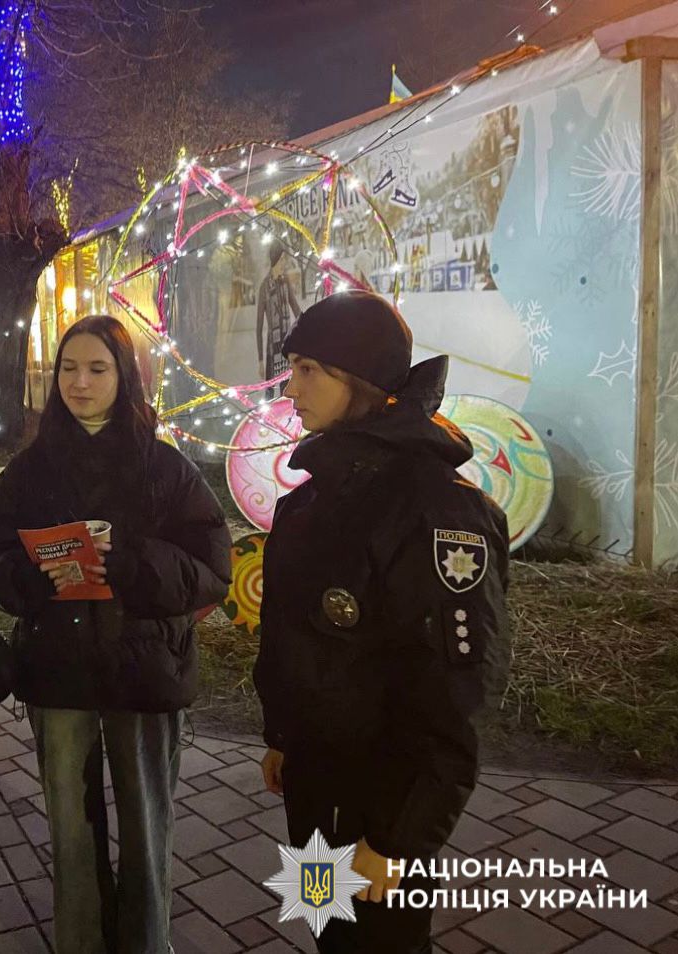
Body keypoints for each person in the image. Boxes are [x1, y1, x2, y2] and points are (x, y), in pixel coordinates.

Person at [253, 291, 510, 954]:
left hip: (380, 808)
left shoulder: (435, 509)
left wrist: (397, 838)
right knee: (325, 929)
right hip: (312, 792)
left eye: (309, 369)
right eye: (291, 368)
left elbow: (458, 689)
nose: (291, 388)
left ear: (361, 381)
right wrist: (281, 732)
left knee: (381, 944)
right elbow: (294, 637)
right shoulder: (313, 498)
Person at [0, 315, 231, 954]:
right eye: (68, 368)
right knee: (70, 827)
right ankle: (81, 942)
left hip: (144, 672)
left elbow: (211, 571)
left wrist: (127, 563)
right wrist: (40, 575)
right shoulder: (32, 470)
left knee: (147, 827)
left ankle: (148, 942)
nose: (79, 383)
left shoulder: (164, 468)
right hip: (58, 674)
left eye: (97, 369)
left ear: (127, 377)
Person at [256, 242, 302, 386]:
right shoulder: (264, 287)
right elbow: (259, 326)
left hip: (286, 345)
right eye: (282, 259)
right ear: (275, 259)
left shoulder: (285, 281)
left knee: (286, 388)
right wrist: (260, 361)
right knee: (269, 391)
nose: (284, 263)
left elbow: (295, 307)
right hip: (272, 348)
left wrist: (308, 323)